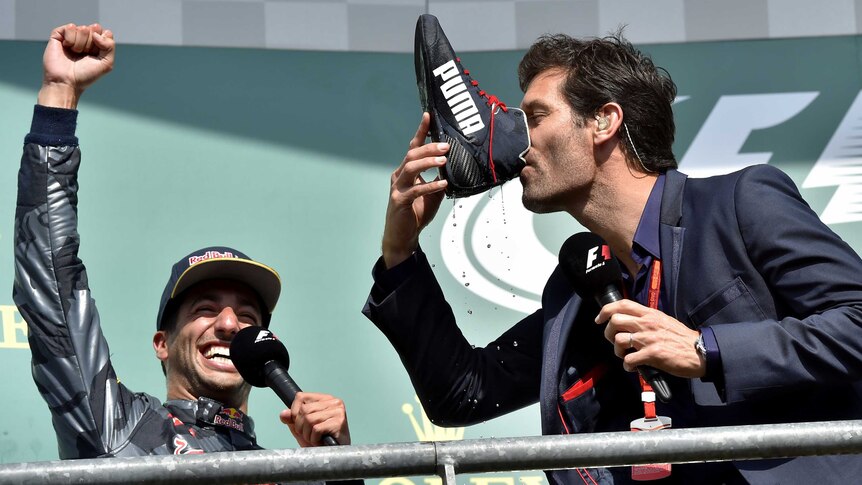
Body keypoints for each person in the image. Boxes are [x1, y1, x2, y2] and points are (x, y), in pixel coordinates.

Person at [362, 32, 862, 484]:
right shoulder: (582, 287)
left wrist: (706, 350)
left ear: (604, 121)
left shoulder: (738, 203)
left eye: (535, 117)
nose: (517, 140)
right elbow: (464, 392)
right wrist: (400, 252)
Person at [14, 23, 357, 480]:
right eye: (206, 309)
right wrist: (59, 94)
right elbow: (52, 286)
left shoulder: (284, 471)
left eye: (248, 318)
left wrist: (342, 466)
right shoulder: (120, 428)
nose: (231, 325)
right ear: (162, 344)